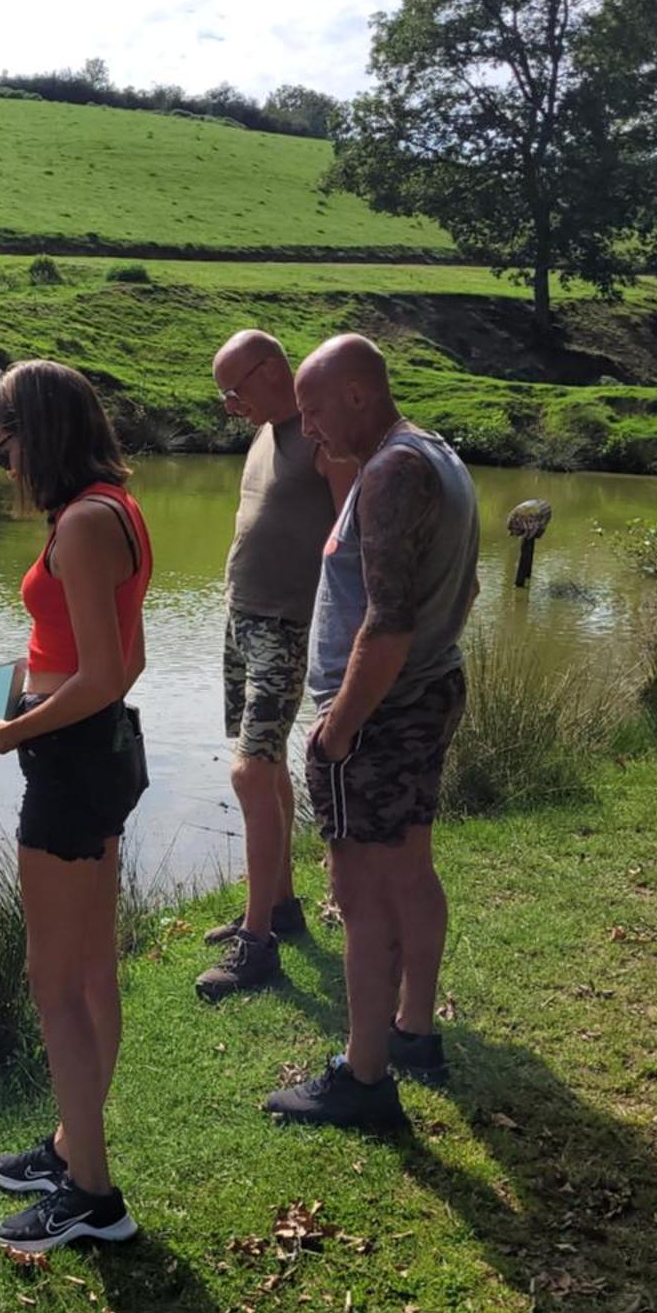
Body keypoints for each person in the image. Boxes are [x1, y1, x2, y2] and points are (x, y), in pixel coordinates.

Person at [266, 333, 479, 1131]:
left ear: (357, 393)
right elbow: (469, 582)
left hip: (382, 710)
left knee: (359, 893)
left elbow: (386, 623)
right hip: (426, 691)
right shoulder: (436, 453)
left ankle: (364, 1077)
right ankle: (413, 1032)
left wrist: (335, 732)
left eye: (313, 410)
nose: (308, 428)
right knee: (411, 868)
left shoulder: (391, 472)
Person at [0, 360, 153, 1251]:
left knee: (54, 985)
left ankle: (91, 1196)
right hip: (99, 751)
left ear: (38, 436)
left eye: (6, 444)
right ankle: (73, 1145)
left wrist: (16, 729)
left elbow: (106, 673)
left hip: (71, 762)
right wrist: (40, 689)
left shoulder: (81, 524)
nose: (4, 464)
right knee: (89, 971)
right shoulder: (114, 506)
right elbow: (126, 662)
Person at [197, 330, 354, 1002]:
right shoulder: (264, 431)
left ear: (269, 372)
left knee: (250, 772)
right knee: (263, 762)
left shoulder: (319, 435)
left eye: (234, 390)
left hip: (289, 626)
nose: (230, 406)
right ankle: (281, 904)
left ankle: (257, 943)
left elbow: (353, 532)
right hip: (245, 619)